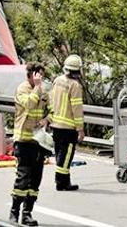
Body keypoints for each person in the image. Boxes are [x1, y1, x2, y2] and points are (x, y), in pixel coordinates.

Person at [9, 62, 50, 226]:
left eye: (42, 76)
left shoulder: (42, 90)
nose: (41, 79)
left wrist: (46, 119)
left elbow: (52, 109)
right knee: (23, 179)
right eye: (38, 76)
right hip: (23, 141)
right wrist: (37, 87)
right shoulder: (23, 89)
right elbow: (29, 104)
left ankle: (27, 213)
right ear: (31, 75)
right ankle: (14, 212)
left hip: (38, 142)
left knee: (35, 180)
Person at [48, 54, 84, 191]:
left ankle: (64, 181)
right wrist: (80, 129)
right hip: (68, 127)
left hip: (56, 125)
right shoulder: (75, 86)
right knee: (66, 155)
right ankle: (61, 182)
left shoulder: (57, 81)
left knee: (60, 154)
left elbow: (51, 100)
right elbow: (77, 108)